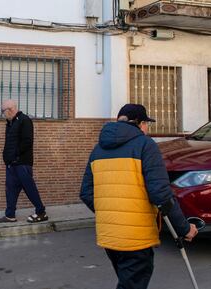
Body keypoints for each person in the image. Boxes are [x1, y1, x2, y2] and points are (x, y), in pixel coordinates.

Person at [80, 103, 198, 289]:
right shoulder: (145, 145)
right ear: (139, 123)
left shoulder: (98, 150)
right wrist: (184, 228)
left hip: (109, 236)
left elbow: (86, 192)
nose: (147, 128)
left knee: (128, 281)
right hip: (136, 237)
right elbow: (160, 193)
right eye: (146, 124)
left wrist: (110, 211)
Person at [0, 99, 48, 223]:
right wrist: (7, 158)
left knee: (29, 188)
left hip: (22, 163)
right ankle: (10, 215)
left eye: (3, 111)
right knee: (10, 190)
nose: (3, 114)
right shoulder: (10, 123)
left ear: (11, 109)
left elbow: (27, 142)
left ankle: (41, 212)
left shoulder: (25, 120)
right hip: (11, 164)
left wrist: (15, 156)